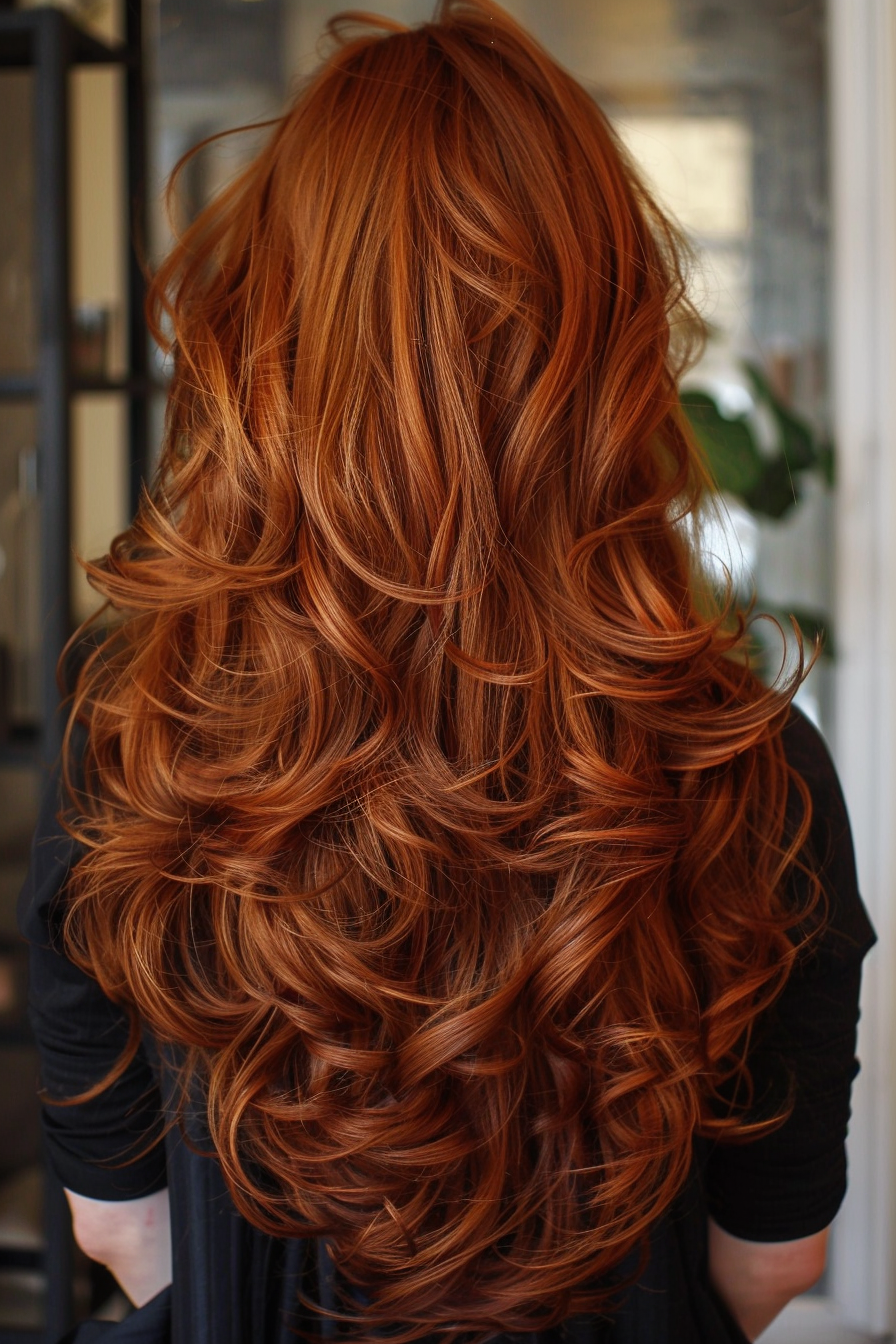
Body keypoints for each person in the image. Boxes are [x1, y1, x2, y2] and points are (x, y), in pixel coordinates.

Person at [18, 3, 874, 1341]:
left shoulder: (133, 739)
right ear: (609, 349)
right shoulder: (755, 771)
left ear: (273, 348)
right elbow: (770, 1259)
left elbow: (119, 1225)